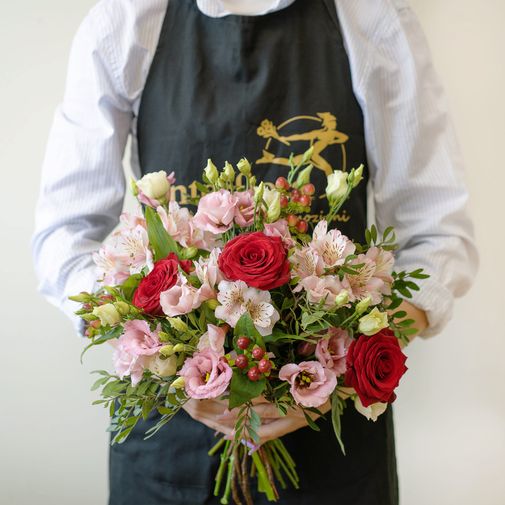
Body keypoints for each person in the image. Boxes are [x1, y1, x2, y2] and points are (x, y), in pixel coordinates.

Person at [32, 1, 478, 504]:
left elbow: (436, 232)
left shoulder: (374, 19)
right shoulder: (126, 22)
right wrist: (159, 354)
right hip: (168, 437)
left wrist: (344, 365)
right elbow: (66, 237)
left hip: (333, 434)